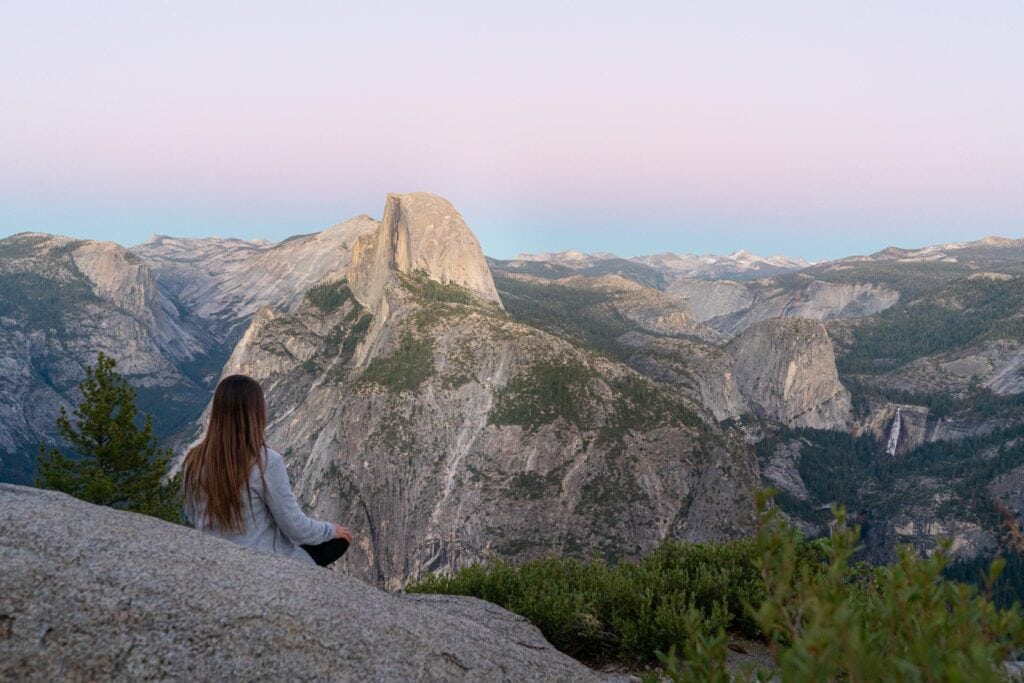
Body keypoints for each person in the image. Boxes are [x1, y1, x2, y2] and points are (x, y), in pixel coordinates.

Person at [183, 374, 352, 567]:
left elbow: (192, 515)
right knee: (340, 541)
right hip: (262, 564)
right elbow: (296, 527)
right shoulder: (265, 462)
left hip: (213, 558)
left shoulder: (193, 460)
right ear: (256, 414)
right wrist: (331, 530)